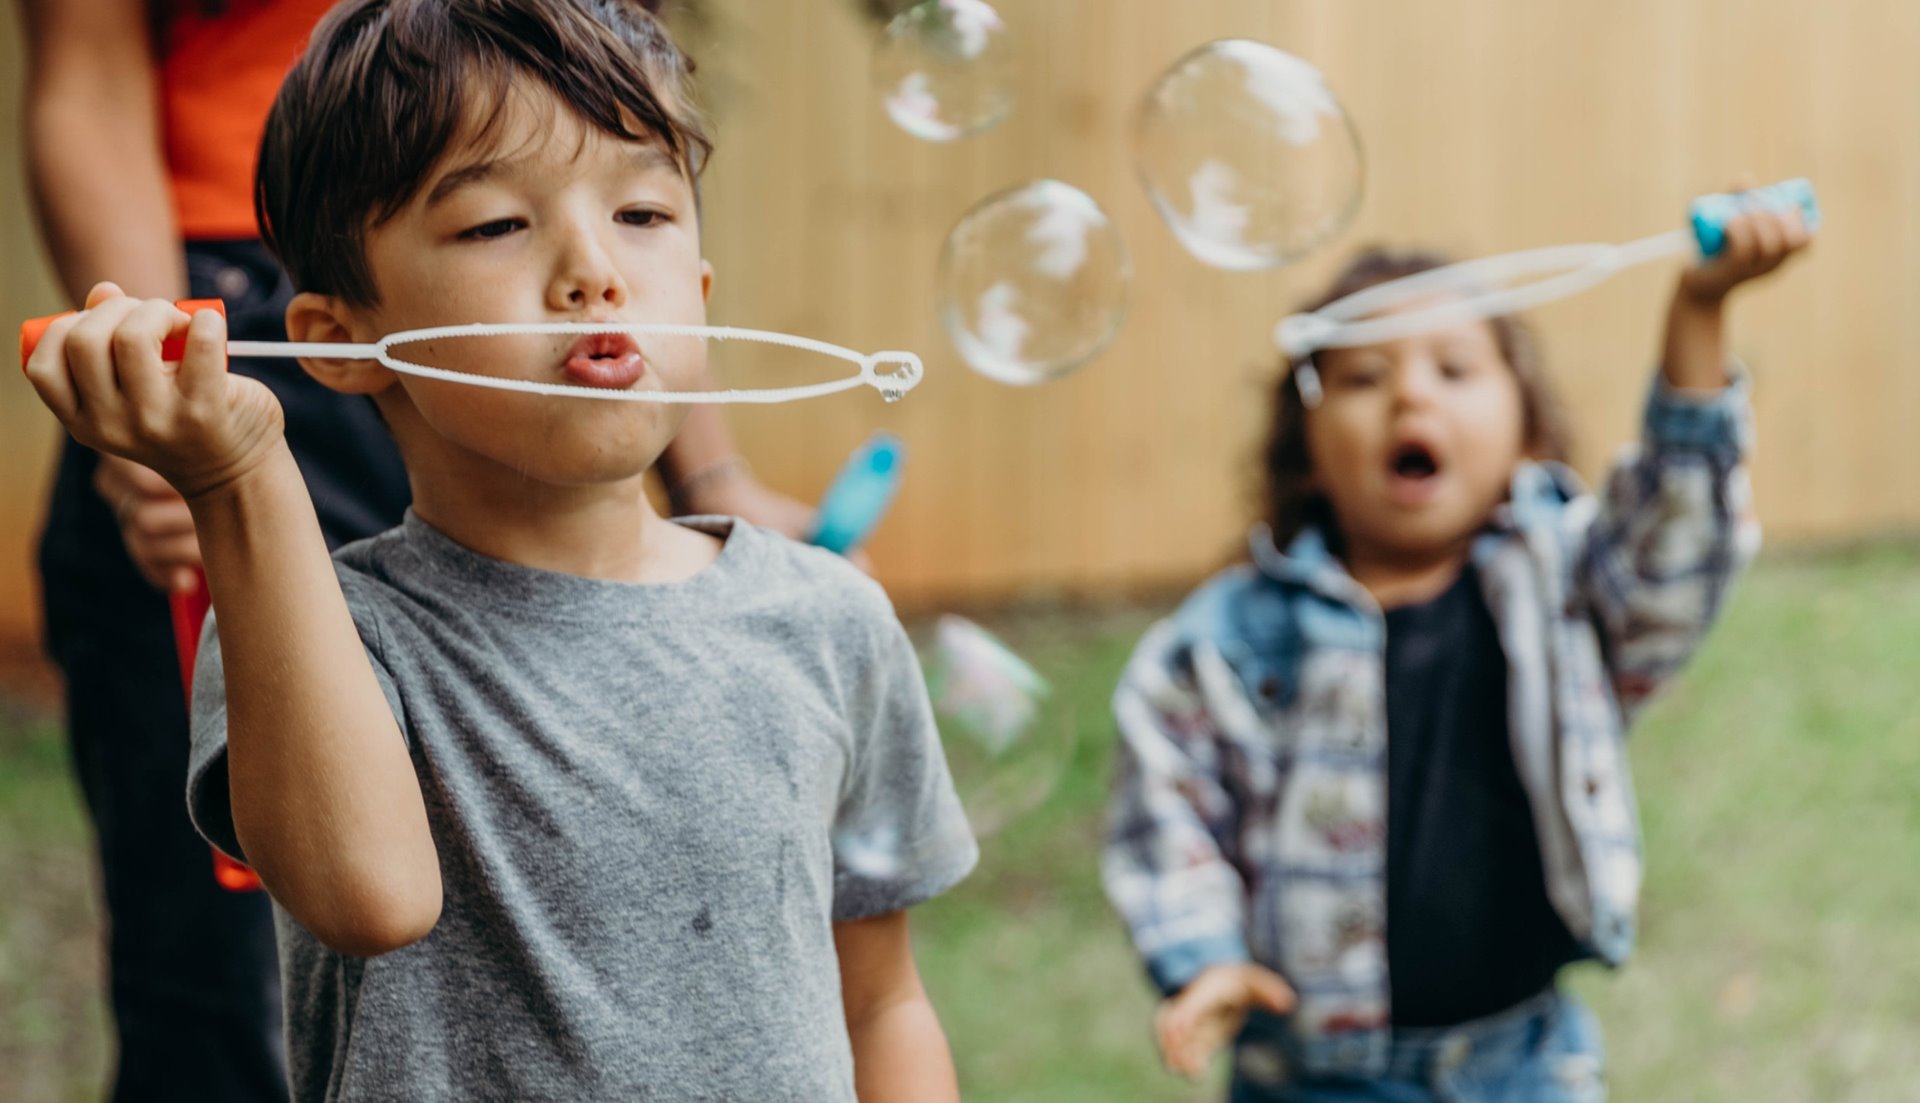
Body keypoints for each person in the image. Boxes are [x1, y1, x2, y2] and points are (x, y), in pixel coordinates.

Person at [21, 1, 976, 1099]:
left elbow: (882, 1003)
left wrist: (716, 474)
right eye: (494, 226)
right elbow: (369, 897)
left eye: (644, 212)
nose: (593, 269)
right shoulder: (323, 642)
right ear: (338, 341)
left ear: (702, 300)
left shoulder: (828, 619)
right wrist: (239, 476)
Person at [1101, 201, 1812, 1102]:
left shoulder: (1567, 586)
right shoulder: (1228, 641)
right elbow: (1169, 813)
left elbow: (1677, 538)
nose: (1411, 394)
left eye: (1454, 368)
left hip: (1524, 1063)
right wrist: (1204, 959)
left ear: (1524, 430)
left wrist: (1699, 310)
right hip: (1309, 1079)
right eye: (1364, 375)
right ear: (1307, 448)